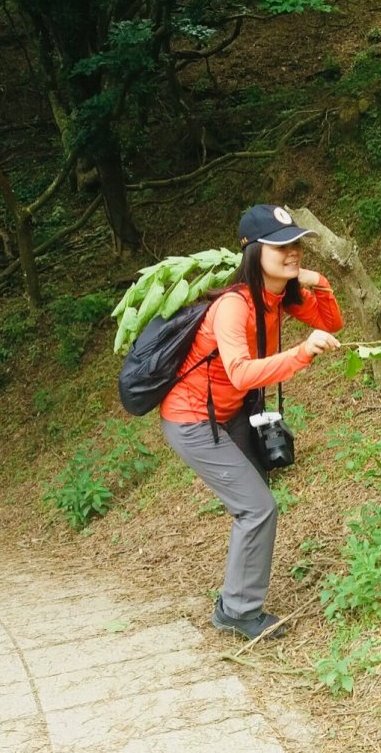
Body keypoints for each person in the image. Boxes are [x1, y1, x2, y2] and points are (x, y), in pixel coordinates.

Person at [160, 204, 343, 640]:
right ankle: (238, 611)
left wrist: (317, 281)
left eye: (296, 243)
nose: (292, 252)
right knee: (258, 508)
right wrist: (302, 354)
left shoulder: (277, 297)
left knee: (256, 502)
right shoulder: (234, 306)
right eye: (280, 246)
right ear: (253, 252)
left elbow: (331, 322)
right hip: (191, 419)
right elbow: (240, 371)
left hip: (230, 413)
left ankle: (235, 600)